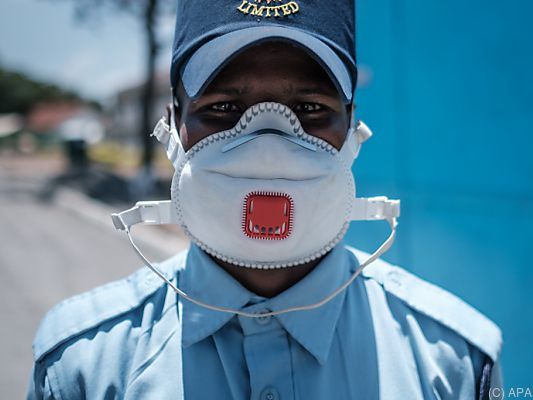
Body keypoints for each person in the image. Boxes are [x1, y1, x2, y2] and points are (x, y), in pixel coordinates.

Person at [28, 1, 503, 399]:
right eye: (223, 109)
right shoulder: (82, 365)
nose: (268, 145)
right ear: (172, 125)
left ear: (353, 126)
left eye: (311, 109)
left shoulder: (456, 362)